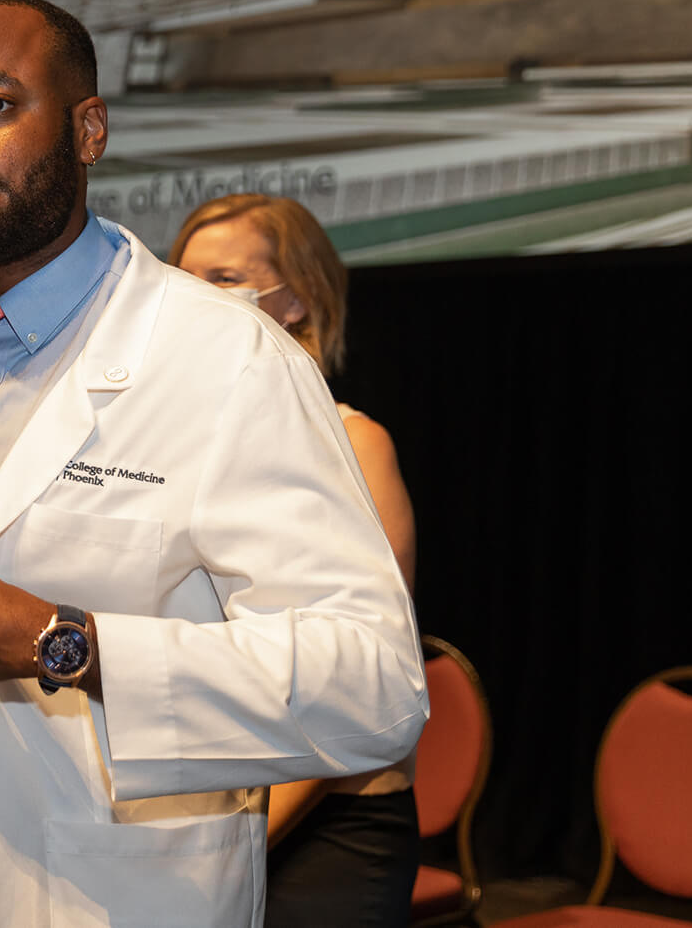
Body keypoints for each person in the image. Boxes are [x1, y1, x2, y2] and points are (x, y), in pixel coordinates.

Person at [0, 0, 428, 927]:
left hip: (101, 901)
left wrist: (60, 645)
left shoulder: (228, 357)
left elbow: (371, 685)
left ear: (88, 129)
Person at [172, 192, 420, 927]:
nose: (194, 302)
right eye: (181, 281)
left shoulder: (356, 446)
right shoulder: (173, 451)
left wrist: (225, 847)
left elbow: (350, 682)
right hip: (203, 815)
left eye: (221, 279)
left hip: (325, 825)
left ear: (297, 301)